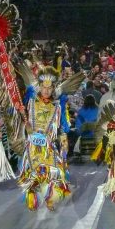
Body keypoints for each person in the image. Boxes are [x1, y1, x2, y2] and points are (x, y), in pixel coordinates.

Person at [18, 67, 71, 211]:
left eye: (49, 88)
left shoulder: (58, 106)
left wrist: (64, 141)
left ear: (53, 88)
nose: (46, 91)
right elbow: (19, 114)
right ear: (39, 87)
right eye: (43, 87)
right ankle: (32, 197)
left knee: (53, 172)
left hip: (49, 146)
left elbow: (62, 126)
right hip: (32, 146)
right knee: (32, 174)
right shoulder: (30, 101)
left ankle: (50, 199)